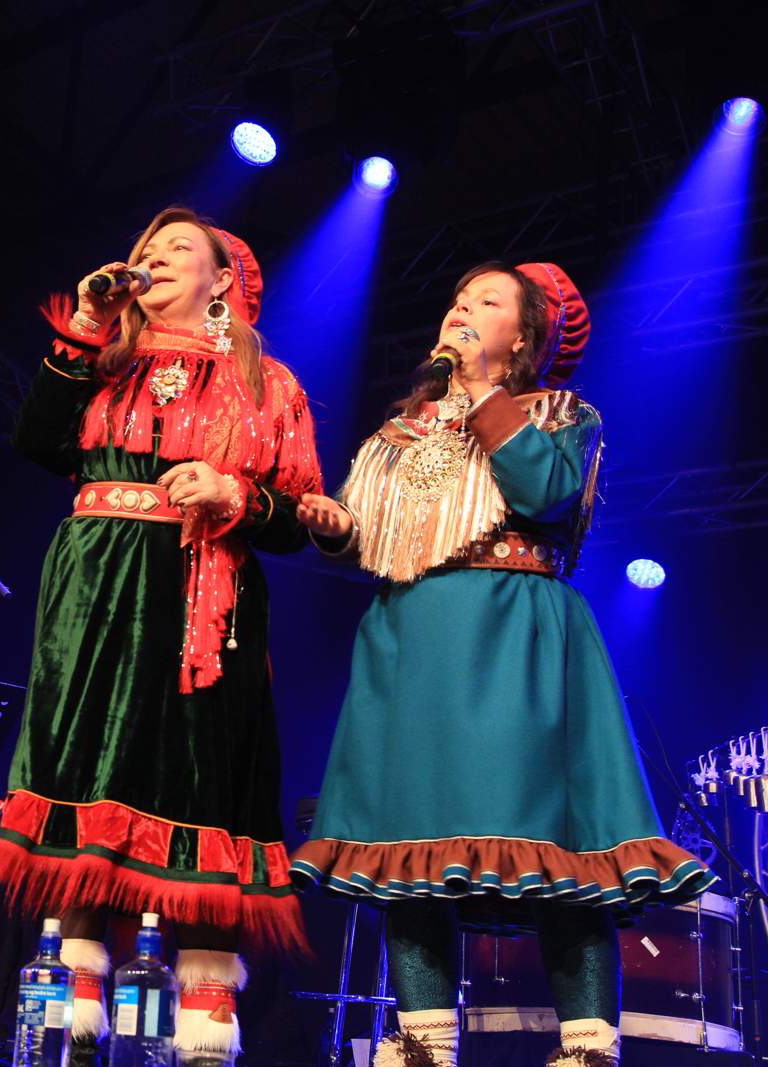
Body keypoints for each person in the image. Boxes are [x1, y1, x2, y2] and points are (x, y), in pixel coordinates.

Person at [290, 261, 714, 1067]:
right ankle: (423, 1044)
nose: (460, 309)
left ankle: (586, 1047)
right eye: (455, 298)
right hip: (411, 639)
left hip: (515, 633)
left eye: (485, 302)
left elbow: (547, 492)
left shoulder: (560, 412)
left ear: (522, 336)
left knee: (554, 844)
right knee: (410, 847)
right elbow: (373, 535)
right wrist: (332, 524)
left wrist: (485, 393)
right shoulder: (404, 428)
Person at [0, 207, 322, 1063]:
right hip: (96, 584)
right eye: (145, 250)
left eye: (179, 250)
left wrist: (233, 493)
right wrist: (89, 325)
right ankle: (77, 997)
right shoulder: (106, 361)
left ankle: (206, 1009)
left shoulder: (266, 382)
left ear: (221, 281)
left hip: (208, 590)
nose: (154, 258)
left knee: (205, 777)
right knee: (91, 764)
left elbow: (294, 521)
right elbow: (34, 440)